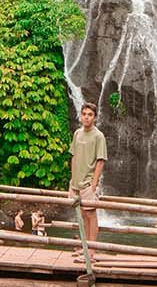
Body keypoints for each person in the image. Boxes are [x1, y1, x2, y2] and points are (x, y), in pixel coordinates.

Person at [68, 102, 107, 262]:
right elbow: (73, 156)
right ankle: (84, 247)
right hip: (75, 183)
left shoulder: (98, 136)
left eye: (90, 114)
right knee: (82, 215)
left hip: (88, 184)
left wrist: (94, 183)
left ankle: (91, 252)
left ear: (95, 118)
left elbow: (101, 161)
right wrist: (72, 178)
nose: (86, 117)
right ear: (81, 116)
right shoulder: (77, 133)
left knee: (91, 215)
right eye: (84, 114)